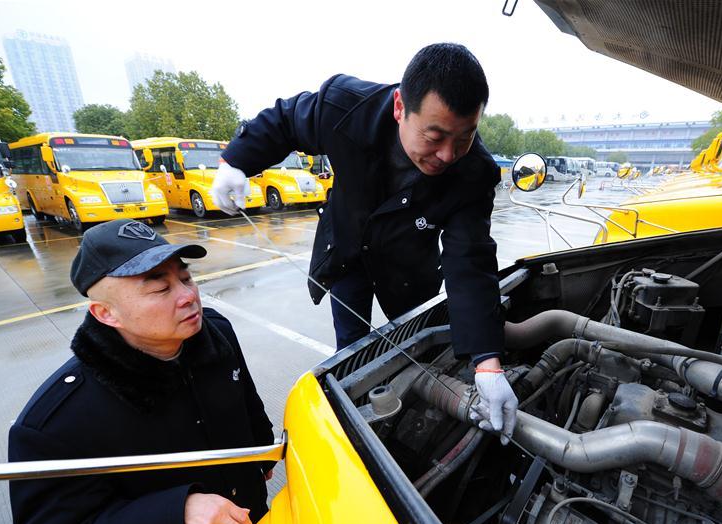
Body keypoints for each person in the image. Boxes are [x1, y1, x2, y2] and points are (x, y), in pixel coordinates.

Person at [211, 43, 518, 442]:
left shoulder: (473, 173)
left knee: (414, 350)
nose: (447, 155)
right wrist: (236, 160)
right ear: (398, 108)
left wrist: (487, 362)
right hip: (348, 254)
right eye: (435, 136)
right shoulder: (345, 109)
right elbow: (286, 119)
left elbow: (470, 263)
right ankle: (358, 432)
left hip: (409, 268)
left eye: (464, 138)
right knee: (353, 355)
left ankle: (408, 428)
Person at [8, 219, 276, 524]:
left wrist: (262, 456)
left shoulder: (215, 333)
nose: (187, 296)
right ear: (106, 314)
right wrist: (171, 515)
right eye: (160, 288)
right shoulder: (57, 420)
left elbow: (246, 401)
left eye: (186, 279)